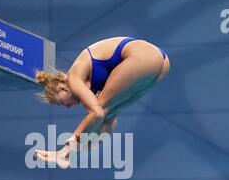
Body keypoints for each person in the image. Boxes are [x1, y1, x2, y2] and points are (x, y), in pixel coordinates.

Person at [35, 36, 170, 168]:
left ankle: (66, 152)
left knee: (100, 110)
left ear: (62, 88)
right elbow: (108, 120)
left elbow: (97, 113)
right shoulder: (91, 90)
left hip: (143, 55)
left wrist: (66, 149)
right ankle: (67, 153)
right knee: (110, 111)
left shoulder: (73, 77)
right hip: (161, 64)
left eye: (61, 103)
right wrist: (82, 148)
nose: (67, 107)